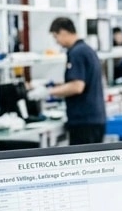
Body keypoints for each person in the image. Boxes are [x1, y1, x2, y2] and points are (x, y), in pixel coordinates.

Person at [37, 17, 106, 146]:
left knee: (83, 163)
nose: (56, 42)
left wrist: (49, 92)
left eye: (55, 36)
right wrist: (54, 85)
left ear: (63, 32)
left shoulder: (77, 52)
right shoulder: (87, 50)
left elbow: (77, 86)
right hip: (93, 119)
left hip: (84, 122)